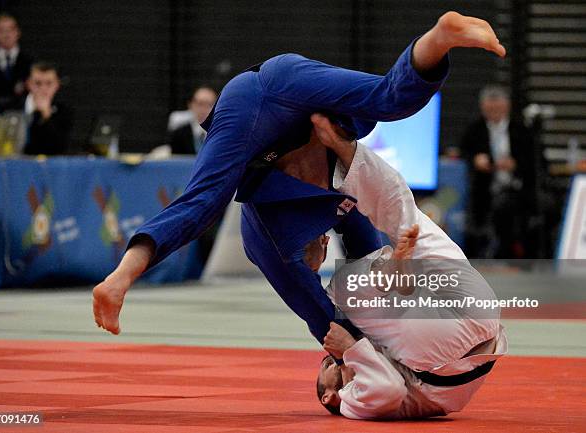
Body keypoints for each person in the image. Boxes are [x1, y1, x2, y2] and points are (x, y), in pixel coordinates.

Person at [93, 12, 506, 344]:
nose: (322, 252)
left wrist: (363, 336)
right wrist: (378, 335)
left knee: (205, 203)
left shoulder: (271, 241)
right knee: (386, 102)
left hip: (259, 104)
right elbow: (355, 297)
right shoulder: (321, 219)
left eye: (316, 256)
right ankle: (440, 37)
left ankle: (441, 35)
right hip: (286, 93)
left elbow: (328, 321)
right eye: (320, 256)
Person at [306, 113, 506, 419]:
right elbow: (390, 389)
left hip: (476, 320)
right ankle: (395, 275)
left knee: (406, 219)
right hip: (439, 357)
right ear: (329, 397)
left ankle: (346, 149)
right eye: (329, 367)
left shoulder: (358, 377)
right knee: (344, 286)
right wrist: (349, 349)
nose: (330, 359)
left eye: (327, 361)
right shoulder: (349, 401)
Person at [460, 85, 535, 258]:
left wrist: (515, 164)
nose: (494, 111)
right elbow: (464, 151)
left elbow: (534, 161)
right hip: (484, 186)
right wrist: (476, 160)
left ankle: (509, 253)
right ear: (483, 108)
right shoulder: (474, 129)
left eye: (498, 107)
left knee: (509, 208)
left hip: (515, 187)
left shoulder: (521, 129)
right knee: (478, 209)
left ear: (507, 107)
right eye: (490, 108)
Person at [0, 13, 33, 113]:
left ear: (18, 32)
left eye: (11, 29)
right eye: (2, 30)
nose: (7, 34)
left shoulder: (30, 62)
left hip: (22, 115)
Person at [20, 62, 72, 155]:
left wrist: (47, 116)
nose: (43, 88)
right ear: (28, 84)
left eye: (49, 83)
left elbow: (60, 148)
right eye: (38, 83)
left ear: (57, 85)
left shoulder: (63, 111)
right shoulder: (13, 107)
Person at [167, 86, 218, 154]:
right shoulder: (179, 134)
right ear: (191, 105)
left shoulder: (220, 133)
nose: (203, 109)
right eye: (200, 104)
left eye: (209, 104)